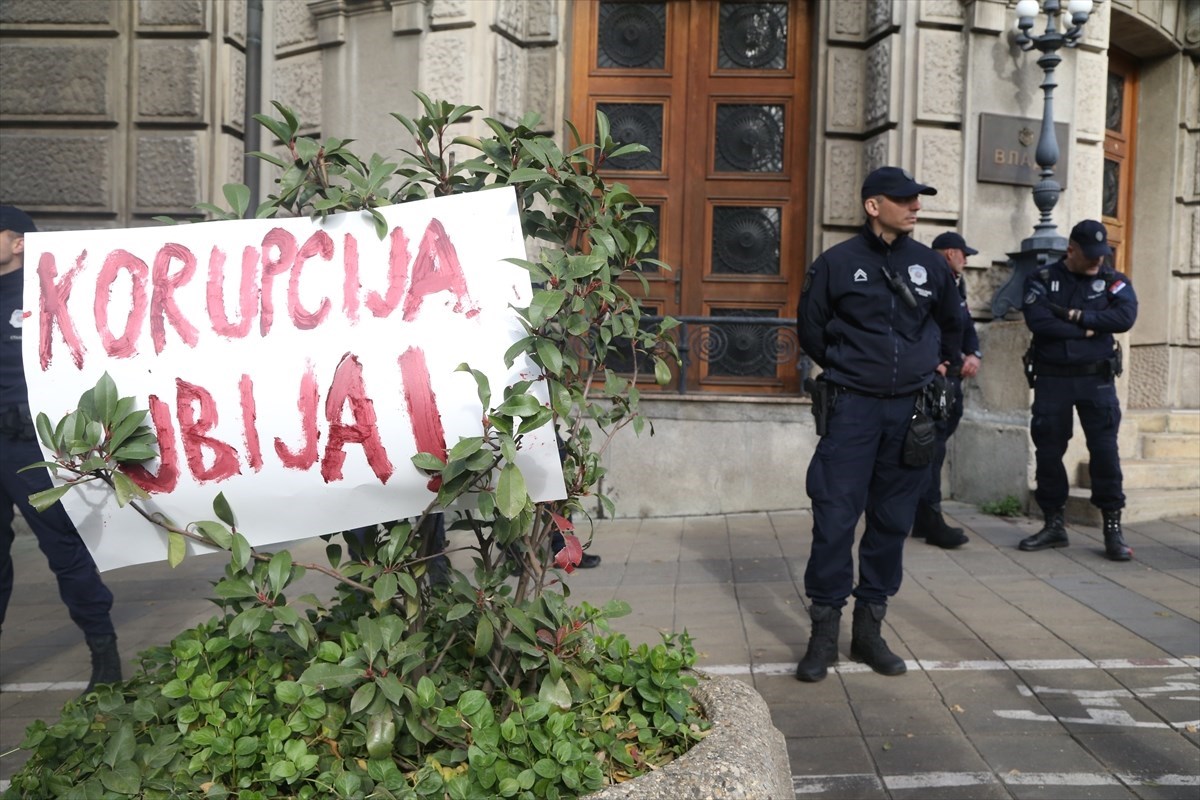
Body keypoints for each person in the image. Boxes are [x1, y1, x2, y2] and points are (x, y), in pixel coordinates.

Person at [794, 167, 963, 682]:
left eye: (917, 199)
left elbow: (953, 325)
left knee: (891, 522)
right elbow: (811, 330)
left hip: (910, 413)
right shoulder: (836, 263)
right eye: (904, 199)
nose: (916, 207)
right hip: (852, 410)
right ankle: (824, 635)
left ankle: (868, 632)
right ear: (874, 206)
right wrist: (851, 369)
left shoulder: (930, 265)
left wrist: (936, 365)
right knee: (834, 520)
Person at [0, 204, 122, 692]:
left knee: (64, 549)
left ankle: (104, 652)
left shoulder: (46, 295)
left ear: (19, 243)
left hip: (28, 447)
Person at [1018, 219, 1136, 561]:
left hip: (1096, 379)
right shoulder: (1041, 279)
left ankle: (1112, 528)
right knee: (1048, 452)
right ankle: (1054, 524)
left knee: (1104, 452)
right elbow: (1039, 322)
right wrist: (1090, 329)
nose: (1098, 259)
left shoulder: (1112, 280)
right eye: (1091, 254)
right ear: (1071, 250)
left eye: (1102, 253)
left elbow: (1124, 318)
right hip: (1052, 379)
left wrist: (1075, 317)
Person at [910, 231, 983, 549]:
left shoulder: (955, 283)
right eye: (963, 254)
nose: (966, 260)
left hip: (952, 380)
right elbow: (917, 324)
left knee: (935, 447)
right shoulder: (926, 280)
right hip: (935, 380)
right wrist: (932, 360)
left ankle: (922, 518)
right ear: (950, 253)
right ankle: (931, 519)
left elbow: (965, 325)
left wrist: (974, 354)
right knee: (931, 448)